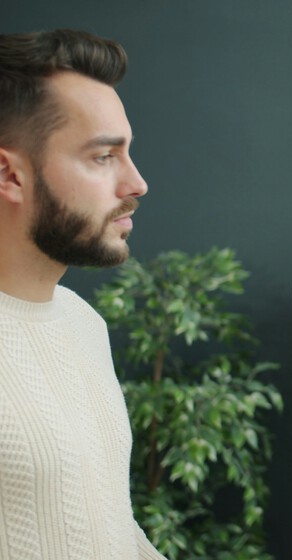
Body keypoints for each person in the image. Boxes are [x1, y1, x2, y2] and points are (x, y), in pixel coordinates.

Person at [0, 29, 165, 559]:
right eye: (102, 157)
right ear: (9, 173)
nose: (136, 183)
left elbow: (110, 527)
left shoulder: (81, 322)